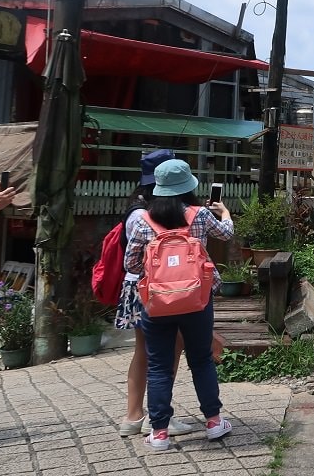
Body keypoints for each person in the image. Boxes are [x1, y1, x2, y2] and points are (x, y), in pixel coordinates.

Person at [125, 159, 234, 450]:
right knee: (201, 359)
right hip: (197, 299)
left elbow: (131, 264)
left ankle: (159, 432)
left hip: (156, 303)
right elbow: (227, 234)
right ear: (188, 187)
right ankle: (214, 422)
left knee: (159, 366)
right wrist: (225, 213)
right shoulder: (200, 215)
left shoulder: (144, 220)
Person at [115, 149, 195, 438]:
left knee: (144, 351)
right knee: (169, 349)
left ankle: (133, 417)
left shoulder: (137, 208)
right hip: (155, 289)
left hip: (135, 287)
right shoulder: (148, 214)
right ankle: (160, 416)